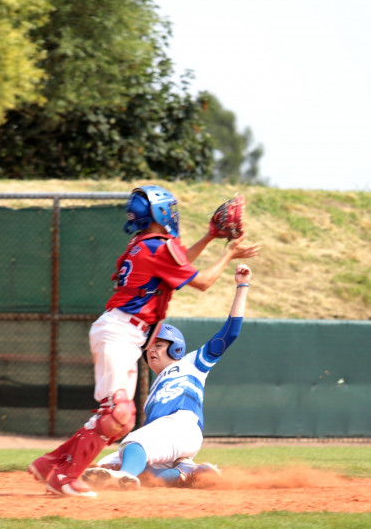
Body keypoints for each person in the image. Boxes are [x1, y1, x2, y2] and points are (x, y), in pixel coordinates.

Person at [29, 186, 260, 497]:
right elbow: (202, 282)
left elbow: (178, 267)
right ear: (161, 213)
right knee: (119, 415)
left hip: (123, 332)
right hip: (122, 331)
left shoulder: (146, 245)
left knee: (117, 417)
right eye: (171, 209)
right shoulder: (157, 248)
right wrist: (228, 253)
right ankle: (65, 478)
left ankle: (51, 463)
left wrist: (208, 238)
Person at [82, 264, 252, 491]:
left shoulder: (192, 364)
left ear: (176, 349)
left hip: (181, 425)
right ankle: (190, 473)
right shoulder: (154, 389)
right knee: (109, 464)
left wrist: (242, 286)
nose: (151, 350)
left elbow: (230, 332)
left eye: (159, 345)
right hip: (173, 438)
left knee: (134, 444)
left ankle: (128, 475)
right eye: (150, 347)